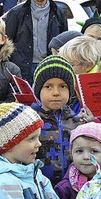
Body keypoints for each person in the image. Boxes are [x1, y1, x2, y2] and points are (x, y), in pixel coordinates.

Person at [5, 0, 67, 84]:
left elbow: (64, 42)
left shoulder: (58, 13)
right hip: (22, 68)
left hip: (49, 66)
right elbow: (7, 41)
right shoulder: (17, 13)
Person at [32, 55, 81, 186]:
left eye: (63, 86)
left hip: (71, 188)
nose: (56, 92)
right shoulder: (30, 121)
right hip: (39, 187)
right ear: (38, 90)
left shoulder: (78, 122)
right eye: (48, 86)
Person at [54, 122, 101, 199]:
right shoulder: (64, 190)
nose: (86, 157)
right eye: (79, 151)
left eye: (94, 151)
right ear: (71, 154)